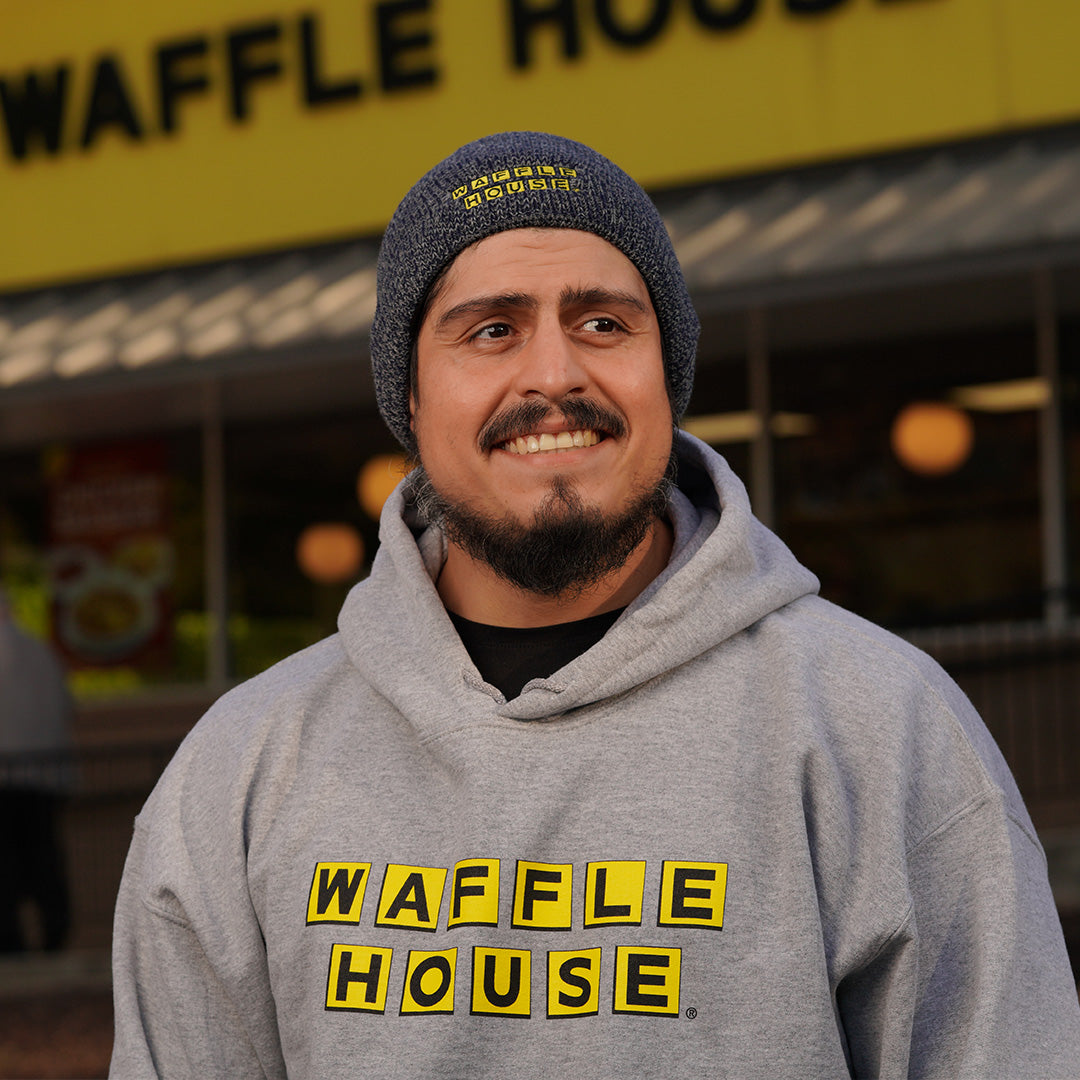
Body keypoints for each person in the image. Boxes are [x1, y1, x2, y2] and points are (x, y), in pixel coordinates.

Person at [110, 132, 1080, 1078]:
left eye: (603, 324)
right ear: (409, 398)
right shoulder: (244, 770)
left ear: (669, 375)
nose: (554, 375)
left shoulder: (882, 725)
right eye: (492, 330)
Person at [0, 588, 73, 952]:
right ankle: (54, 933)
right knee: (44, 859)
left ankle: (11, 942)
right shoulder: (42, 651)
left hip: (6, 777)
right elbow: (65, 706)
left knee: (6, 866)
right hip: (46, 774)